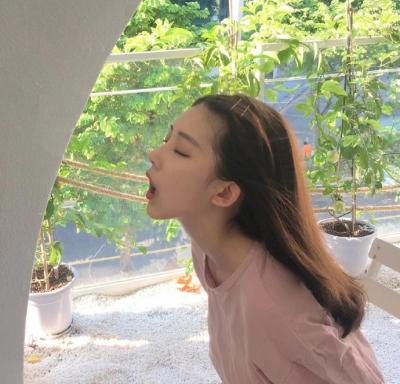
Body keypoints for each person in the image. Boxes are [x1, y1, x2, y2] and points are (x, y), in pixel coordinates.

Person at [145, 94, 384, 384]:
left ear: (224, 192)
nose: (153, 153)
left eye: (181, 151)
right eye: (167, 139)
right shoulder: (208, 253)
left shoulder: (273, 309)